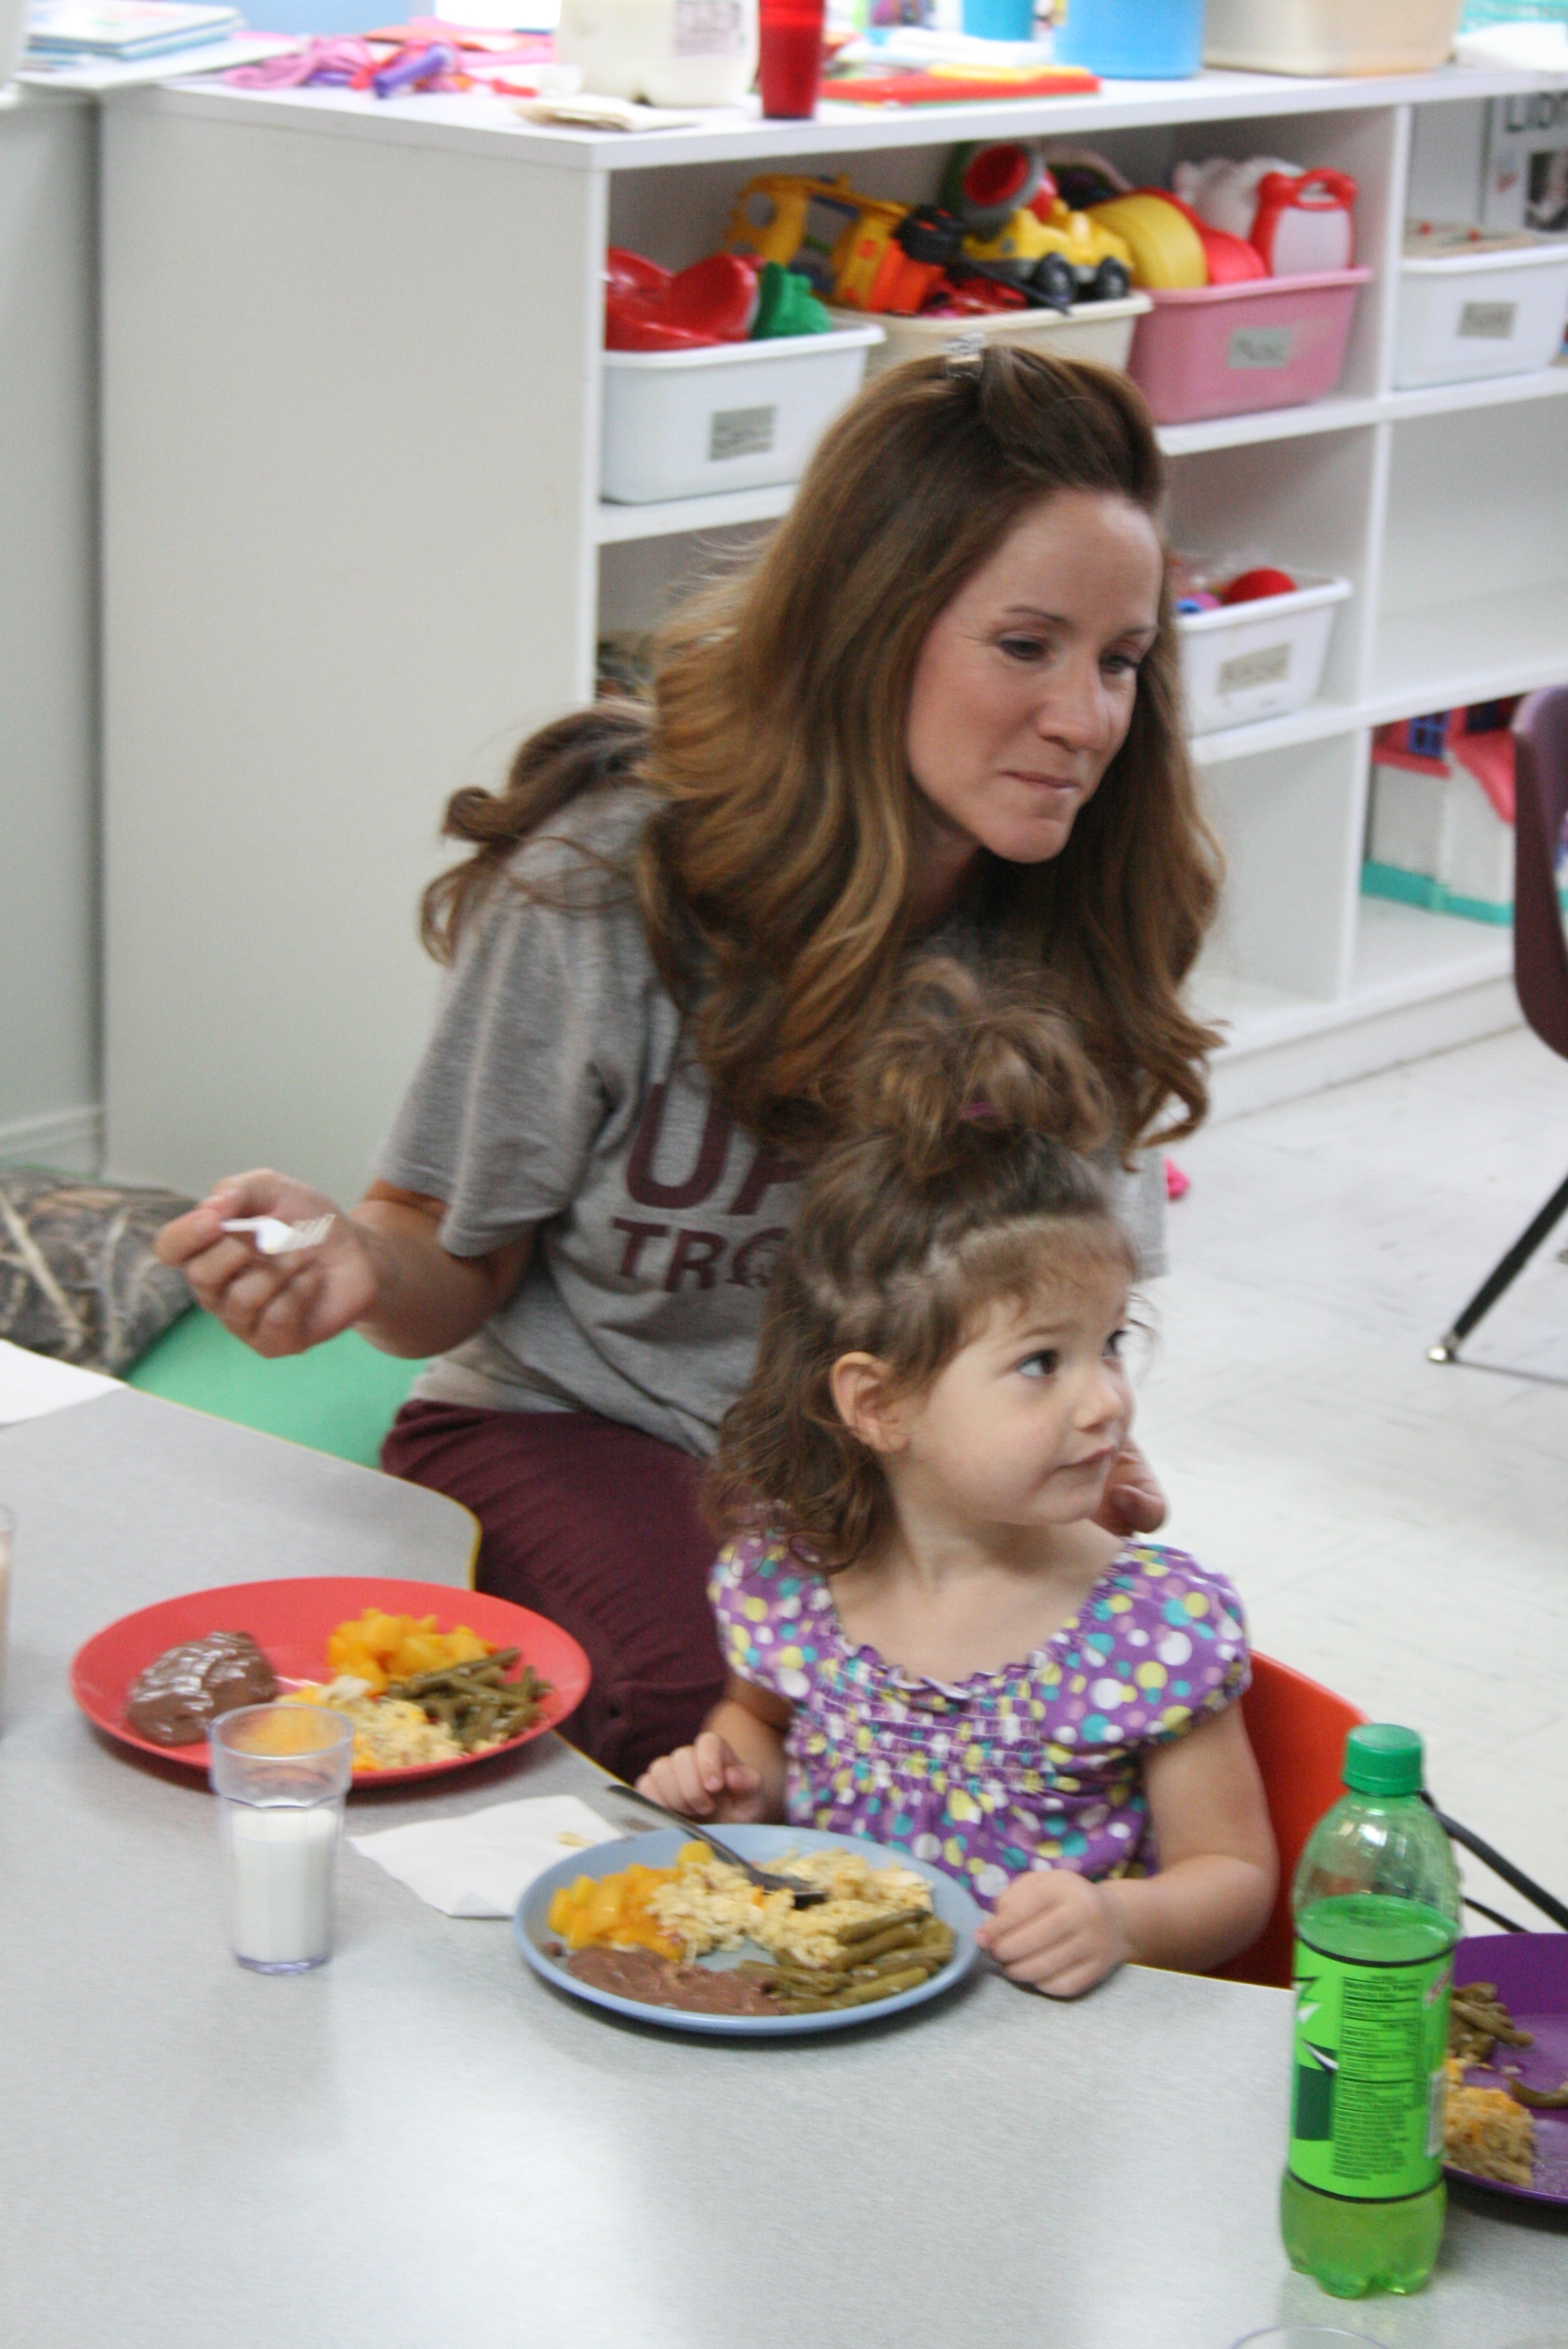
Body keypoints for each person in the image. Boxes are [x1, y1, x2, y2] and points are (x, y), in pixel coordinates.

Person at [155, 348, 1223, 1783]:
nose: (1088, 718)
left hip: (886, 1469)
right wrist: (355, 1260)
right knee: (746, 1733)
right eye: (1025, 646)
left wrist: (1077, 1447)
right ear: (867, 625)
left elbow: (1070, 1304)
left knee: (1113, 1735)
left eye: (1121, 660)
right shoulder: (603, 888)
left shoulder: (1078, 924)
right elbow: (440, 1262)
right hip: (578, 1425)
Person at [638, 962, 1277, 1997]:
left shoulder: (1154, 1627)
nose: (1104, 1400)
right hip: (833, 2028)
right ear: (877, 1403)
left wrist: (1115, 1918)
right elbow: (752, 1720)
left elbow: (1235, 1877)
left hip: (1050, 2081)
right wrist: (731, 1779)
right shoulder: (790, 1583)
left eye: (1108, 1343)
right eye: (1040, 1362)